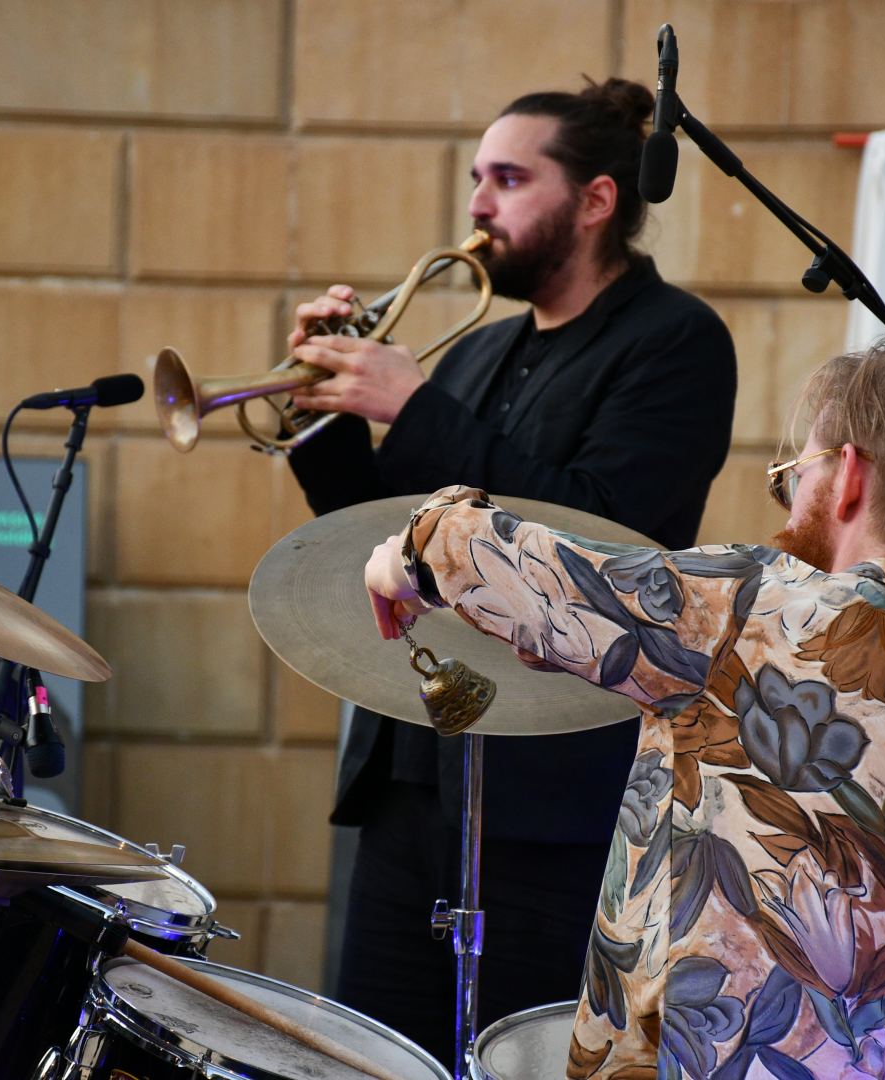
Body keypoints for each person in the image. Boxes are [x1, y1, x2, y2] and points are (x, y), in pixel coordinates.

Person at [364, 339, 885, 1079]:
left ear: (848, 478)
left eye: (793, 474)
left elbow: (515, 565)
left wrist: (406, 551)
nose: (787, 496)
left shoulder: (754, 608)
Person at [283, 77, 737, 1065]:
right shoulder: (481, 351)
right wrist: (319, 412)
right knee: (370, 1056)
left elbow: (598, 533)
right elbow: (391, 536)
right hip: (410, 779)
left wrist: (412, 404)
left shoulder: (675, 343)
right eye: (477, 178)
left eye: (507, 178)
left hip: (552, 800)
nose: (478, 204)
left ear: (596, 200)